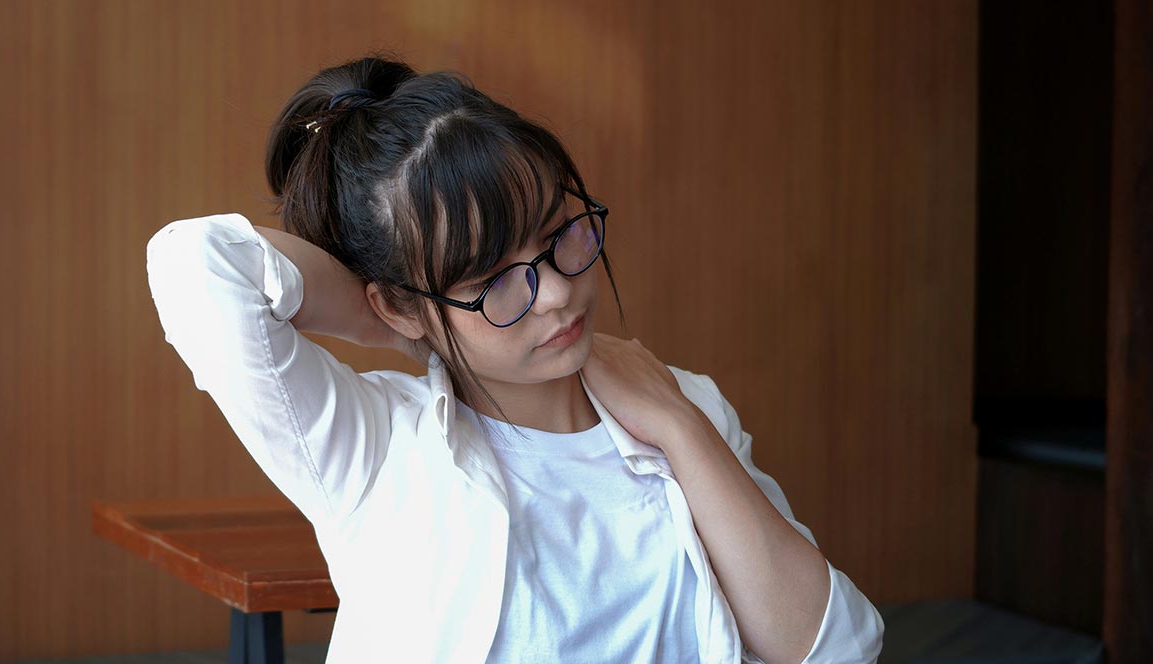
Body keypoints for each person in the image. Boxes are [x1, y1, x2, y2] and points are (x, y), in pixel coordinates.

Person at [146, 53, 883, 664]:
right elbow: (196, 266)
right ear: (399, 302)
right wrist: (411, 328)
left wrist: (681, 429)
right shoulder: (375, 451)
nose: (559, 294)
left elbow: (837, 648)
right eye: (491, 280)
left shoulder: (683, 405)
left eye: (559, 235)